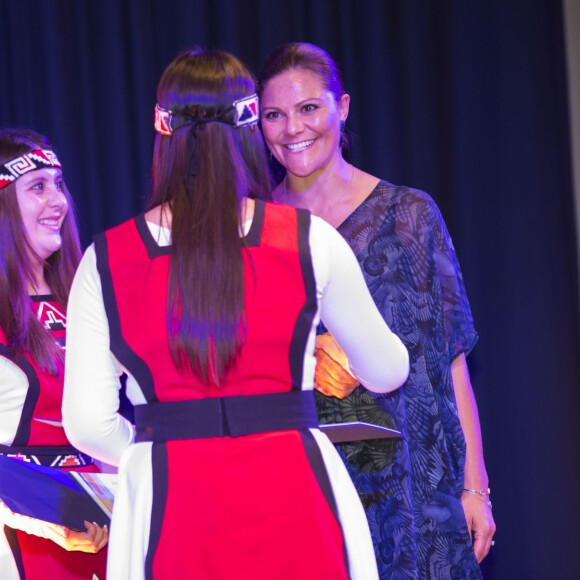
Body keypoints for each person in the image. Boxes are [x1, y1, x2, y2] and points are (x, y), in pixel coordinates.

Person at [61, 47, 409, 580]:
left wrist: (151, 446)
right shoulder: (308, 240)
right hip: (296, 490)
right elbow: (388, 370)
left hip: (169, 501)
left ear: (163, 133)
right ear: (250, 126)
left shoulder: (104, 261)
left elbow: (86, 424)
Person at [258, 42, 497, 579]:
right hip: (307, 489)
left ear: (342, 108)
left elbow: (450, 361)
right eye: (275, 114)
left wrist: (474, 485)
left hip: (415, 490)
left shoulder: (410, 214)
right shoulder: (253, 231)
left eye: (309, 108)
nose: (292, 128)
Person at [0, 129, 108, 579]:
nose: (57, 201)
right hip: (19, 528)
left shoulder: (87, 298)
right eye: (37, 187)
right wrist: (38, 510)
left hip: (96, 516)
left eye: (58, 184)